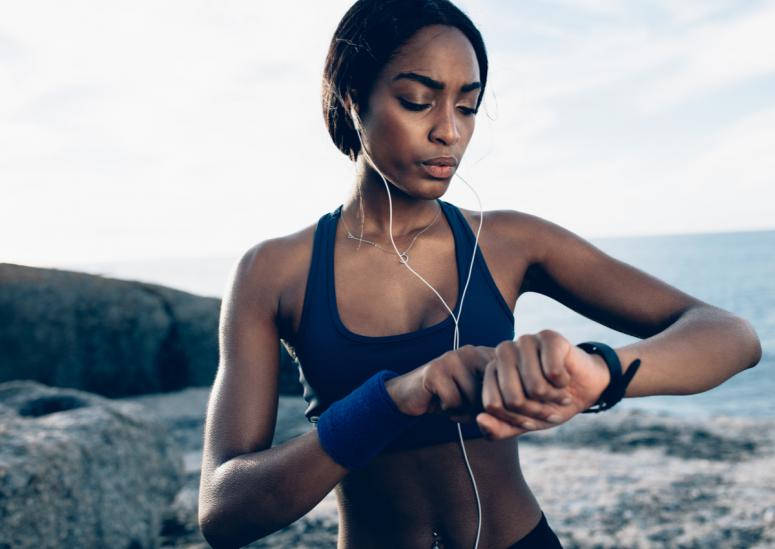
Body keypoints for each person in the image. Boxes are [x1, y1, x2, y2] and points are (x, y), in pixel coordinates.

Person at [197, 1, 763, 548]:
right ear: (352, 97)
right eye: (418, 101)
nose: (450, 131)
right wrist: (397, 398)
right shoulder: (273, 272)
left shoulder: (511, 242)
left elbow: (731, 337)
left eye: (467, 106)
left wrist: (599, 373)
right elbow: (223, 513)